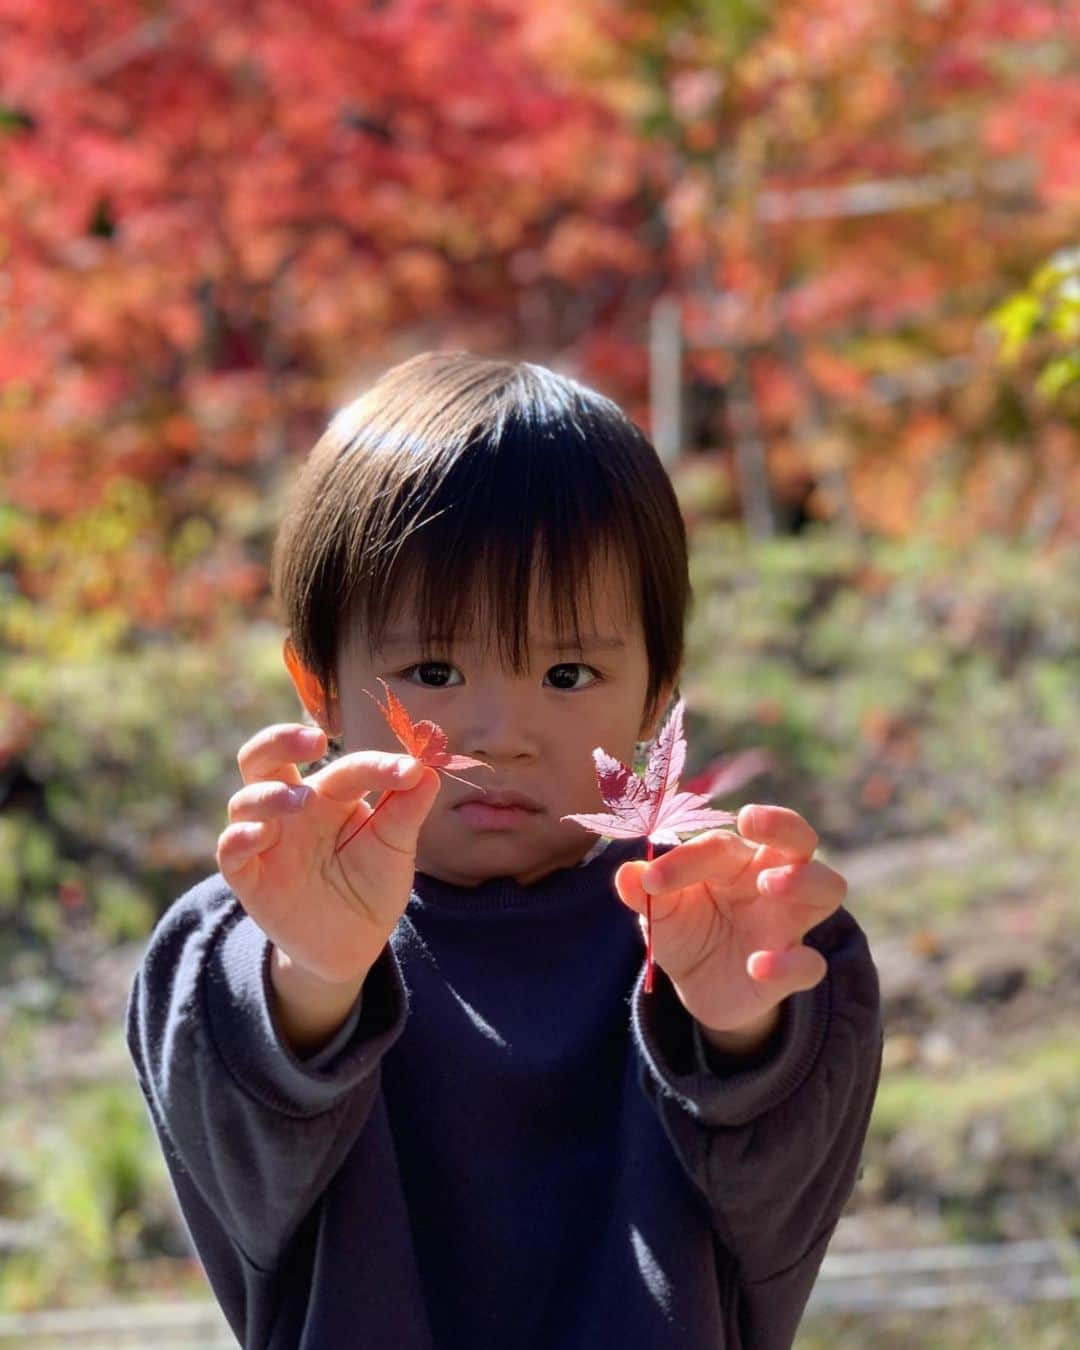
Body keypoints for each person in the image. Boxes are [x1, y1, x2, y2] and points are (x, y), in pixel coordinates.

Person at [126, 351, 882, 1350]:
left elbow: (779, 1211)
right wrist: (313, 973)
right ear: (319, 687)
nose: (501, 732)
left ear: (659, 691)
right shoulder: (252, 923)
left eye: (569, 672)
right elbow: (241, 1162)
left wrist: (739, 1031)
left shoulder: (721, 912)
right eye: (433, 668)